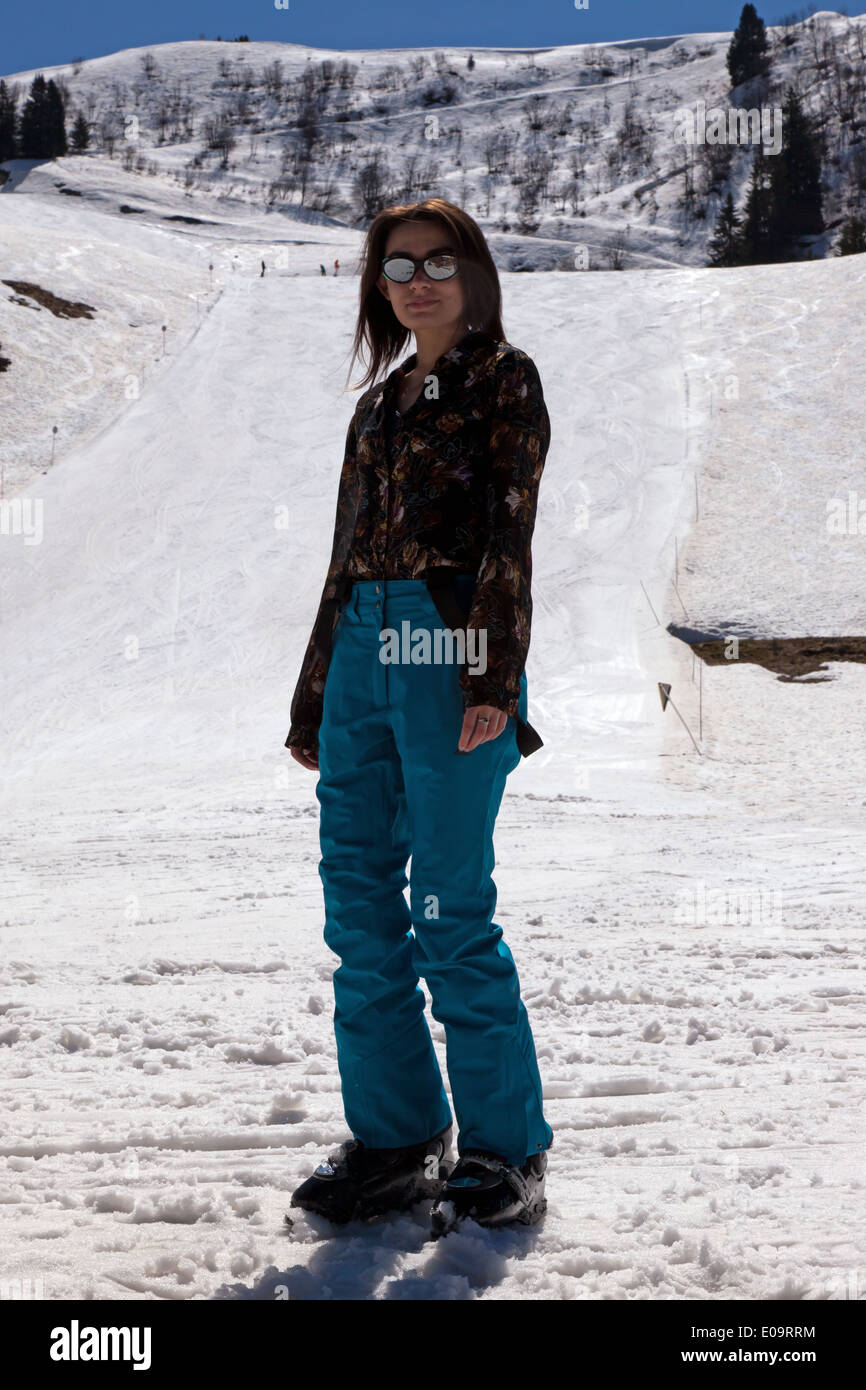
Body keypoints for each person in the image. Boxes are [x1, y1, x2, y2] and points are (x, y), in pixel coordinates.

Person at [285, 198, 554, 1236]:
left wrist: (488, 673)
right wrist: (316, 691)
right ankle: (396, 1140)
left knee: (447, 900)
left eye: (440, 260)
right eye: (397, 265)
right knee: (357, 901)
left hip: (448, 641)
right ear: (378, 286)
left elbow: (507, 531)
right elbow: (342, 556)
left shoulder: (501, 379)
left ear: (474, 270)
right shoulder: (377, 405)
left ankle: (502, 1147)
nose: (418, 279)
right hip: (362, 639)